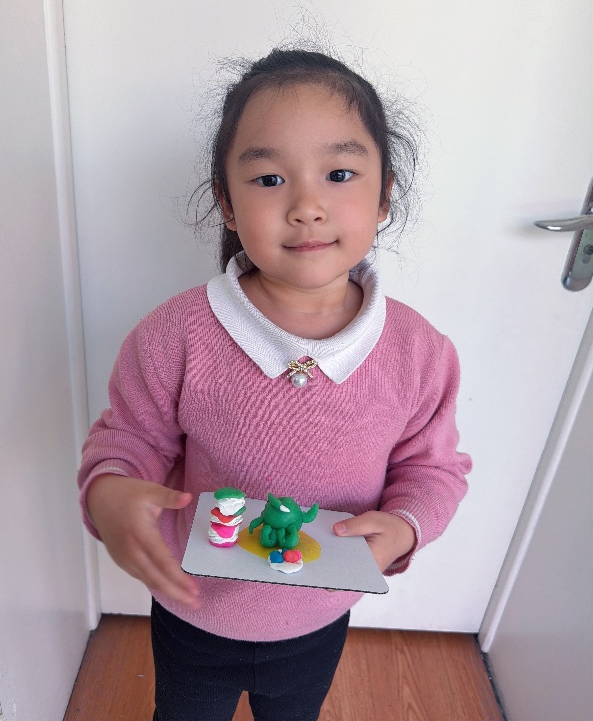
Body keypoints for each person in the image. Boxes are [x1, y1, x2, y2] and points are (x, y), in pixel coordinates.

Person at [78, 48, 472, 721]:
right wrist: (110, 494)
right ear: (227, 204)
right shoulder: (174, 335)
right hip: (192, 612)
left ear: (384, 196)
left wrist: (406, 527)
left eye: (339, 174)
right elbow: (128, 441)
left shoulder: (419, 352)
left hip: (320, 617)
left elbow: (434, 470)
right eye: (268, 179)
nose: (308, 206)